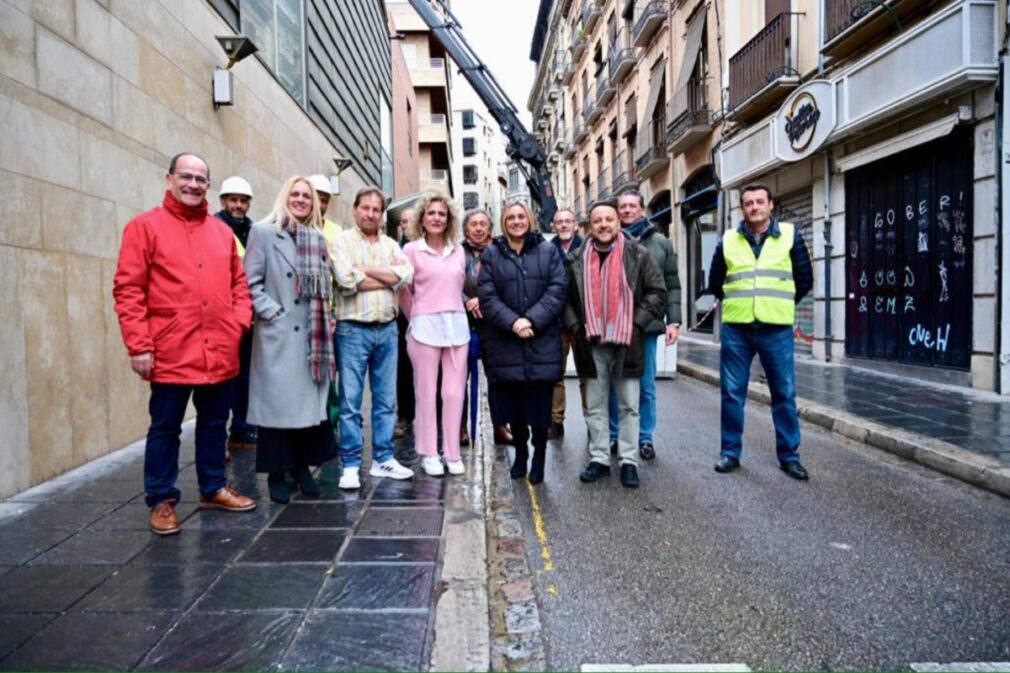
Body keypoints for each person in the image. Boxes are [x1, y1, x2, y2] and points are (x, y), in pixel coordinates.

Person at [113, 152, 256, 536]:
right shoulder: (143, 228)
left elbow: (239, 285)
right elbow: (128, 290)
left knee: (213, 425)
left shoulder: (221, 232)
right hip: (171, 350)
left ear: (209, 186)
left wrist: (238, 323)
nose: (193, 184)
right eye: (186, 177)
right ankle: (161, 499)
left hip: (220, 348)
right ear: (169, 179)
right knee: (165, 427)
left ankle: (212, 488)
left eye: (200, 179)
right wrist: (139, 345)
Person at [708, 184, 813, 480]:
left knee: (784, 393)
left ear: (770, 205)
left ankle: (790, 457)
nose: (754, 207)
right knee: (731, 393)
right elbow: (716, 281)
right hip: (737, 328)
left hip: (775, 328)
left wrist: (777, 303)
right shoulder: (728, 240)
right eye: (748, 203)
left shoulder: (790, 236)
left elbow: (804, 278)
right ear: (742, 208)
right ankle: (730, 452)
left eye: (759, 202)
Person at [244, 176, 338, 504]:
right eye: (295, 194)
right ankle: (275, 473)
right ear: (285, 197)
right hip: (280, 335)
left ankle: (301, 468)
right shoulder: (264, 232)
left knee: (307, 411)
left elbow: (328, 284)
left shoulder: (317, 238)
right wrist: (272, 313)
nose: (300, 200)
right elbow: (249, 282)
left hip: (313, 336)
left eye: (306, 196)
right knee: (277, 410)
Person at [565, 200, 666, 489]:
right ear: (590, 226)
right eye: (598, 221)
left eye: (609, 219)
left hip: (627, 342)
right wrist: (575, 326)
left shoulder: (638, 254)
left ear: (617, 222)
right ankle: (599, 459)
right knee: (595, 406)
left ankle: (629, 461)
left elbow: (657, 292)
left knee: (629, 405)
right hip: (592, 342)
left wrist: (635, 324)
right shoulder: (575, 259)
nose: (604, 225)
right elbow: (567, 300)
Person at [331, 186, 415, 490]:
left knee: (385, 401)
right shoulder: (340, 242)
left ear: (382, 214)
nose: (370, 214)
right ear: (355, 209)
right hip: (352, 330)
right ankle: (351, 463)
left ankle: (383, 458)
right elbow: (344, 279)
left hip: (388, 330)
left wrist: (364, 269)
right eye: (365, 208)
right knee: (351, 402)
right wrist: (386, 277)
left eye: (376, 210)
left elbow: (406, 276)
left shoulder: (392, 244)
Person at [478, 202, 567, 485]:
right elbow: (487, 295)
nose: (516, 221)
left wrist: (531, 320)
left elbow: (558, 289)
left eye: (521, 216)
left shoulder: (548, 250)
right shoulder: (492, 254)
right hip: (506, 341)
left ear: (529, 219)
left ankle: (539, 456)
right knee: (514, 405)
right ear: (503, 222)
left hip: (540, 338)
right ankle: (521, 454)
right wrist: (513, 322)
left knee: (539, 406)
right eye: (510, 218)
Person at [607, 190, 682, 461]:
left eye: (632, 206)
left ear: (641, 209)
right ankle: (614, 435)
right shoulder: (607, 239)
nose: (627, 210)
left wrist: (673, 320)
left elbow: (672, 282)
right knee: (616, 383)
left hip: (647, 325)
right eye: (622, 206)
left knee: (646, 384)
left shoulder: (660, 242)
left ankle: (645, 437)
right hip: (613, 325)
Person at [400, 193, 469, 477]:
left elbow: (459, 285)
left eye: (442, 214)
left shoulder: (459, 250)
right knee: (426, 393)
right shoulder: (411, 251)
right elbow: (404, 292)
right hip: (424, 327)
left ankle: (451, 452)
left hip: (457, 326)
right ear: (422, 219)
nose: (437, 218)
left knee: (453, 393)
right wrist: (415, 317)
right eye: (431, 213)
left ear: (449, 219)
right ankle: (429, 452)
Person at [462, 209, 513, 447]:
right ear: (466, 228)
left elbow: (507, 283)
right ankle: (460, 427)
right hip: (462, 321)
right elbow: (448, 282)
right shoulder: (457, 253)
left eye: (483, 224)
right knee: (459, 378)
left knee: (497, 377)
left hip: (492, 323)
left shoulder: (500, 252)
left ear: (490, 228)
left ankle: (500, 426)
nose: (479, 228)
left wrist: (483, 300)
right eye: (474, 224)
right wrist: (466, 301)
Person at [214, 176, 257, 454]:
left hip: (249, 316)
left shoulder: (253, 230)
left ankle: (241, 431)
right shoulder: (213, 228)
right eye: (233, 200)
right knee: (221, 381)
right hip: (223, 318)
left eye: (243, 201)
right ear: (223, 201)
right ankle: (218, 441)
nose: (238, 206)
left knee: (245, 378)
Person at [547, 207, 586, 440]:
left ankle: (592, 420)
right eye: (559, 222)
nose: (563, 225)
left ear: (576, 225)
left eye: (568, 221)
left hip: (582, 323)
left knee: (587, 375)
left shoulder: (587, 248)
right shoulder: (545, 250)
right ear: (554, 226)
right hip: (555, 323)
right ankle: (556, 421)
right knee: (555, 375)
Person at [394, 207, 417, 440]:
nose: (406, 226)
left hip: (427, 314)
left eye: (410, 221)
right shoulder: (396, 250)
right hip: (401, 317)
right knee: (403, 367)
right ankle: (405, 414)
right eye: (402, 222)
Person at [307, 174, 343, 243]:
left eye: (324, 201)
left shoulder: (336, 231)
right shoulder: (292, 225)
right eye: (315, 199)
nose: (319, 205)